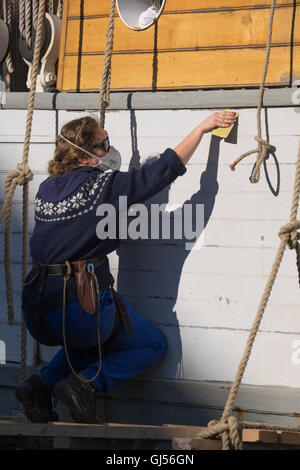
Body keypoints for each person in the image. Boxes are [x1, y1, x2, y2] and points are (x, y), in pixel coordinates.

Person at [15, 110, 236, 424]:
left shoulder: (48, 188)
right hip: (76, 310)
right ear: (89, 156)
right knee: (150, 343)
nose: (110, 148)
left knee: (93, 342)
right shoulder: (102, 187)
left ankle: (40, 385)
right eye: (104, 143)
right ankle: (82, 386)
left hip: (36, 310)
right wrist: (202, 128)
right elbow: (162, 171)